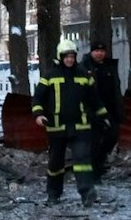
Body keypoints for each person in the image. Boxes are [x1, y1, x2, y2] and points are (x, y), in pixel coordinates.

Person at [32, 39, 107, 206]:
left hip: (80, 126)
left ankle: (87, 193)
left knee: (82, 160)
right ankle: (53, 194)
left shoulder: (84, 75)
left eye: (72, 56)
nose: (70, 60)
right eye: (66, 57)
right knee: (56, 163)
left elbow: (95, 100)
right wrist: (38, 114)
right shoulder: (49, 76)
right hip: (56, 127)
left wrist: (104, 116)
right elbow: (37, 98)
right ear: (60, 57)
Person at [84, 38, 126, 179]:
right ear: (91, 52)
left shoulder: (109, 66)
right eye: (96, 51)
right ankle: (94, 170)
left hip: (111, 109)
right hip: (93, 110)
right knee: (95, 140)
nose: (99, 54)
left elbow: (115, 88)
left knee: (112, 136)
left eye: (102, 51)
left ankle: (99, 163)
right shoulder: (84, 67)